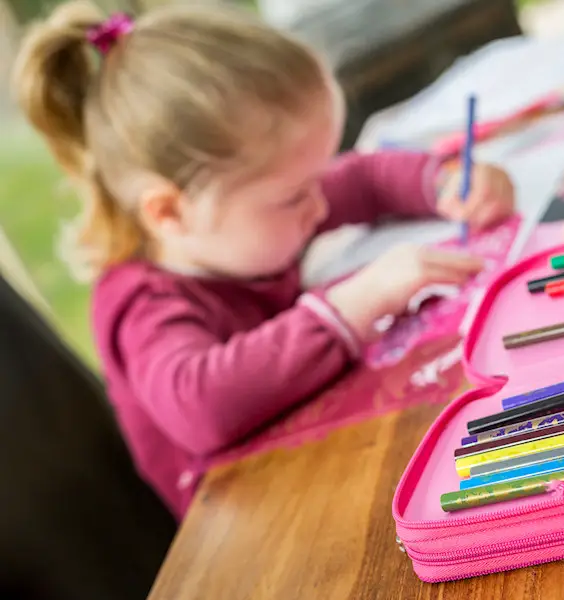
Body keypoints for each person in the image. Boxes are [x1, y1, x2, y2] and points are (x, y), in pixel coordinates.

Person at [12, 1, 516, 518]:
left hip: (329, 446)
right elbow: (201, 405)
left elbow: (362, 178)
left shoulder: (248, 218)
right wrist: (350, 306)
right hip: (263, 519)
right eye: (296, 194)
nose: (318, 204)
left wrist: (446, 183)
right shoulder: (143, 303)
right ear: (168, 211)